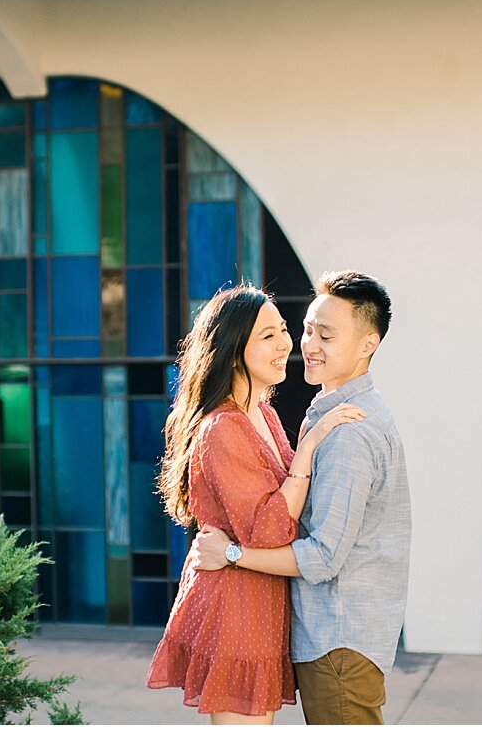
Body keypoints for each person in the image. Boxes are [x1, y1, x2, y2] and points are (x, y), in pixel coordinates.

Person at [192, 271, 411, 725]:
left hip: (338, 640)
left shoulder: (348, 432)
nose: (307, 344)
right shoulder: (316, 415)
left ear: (368, 344)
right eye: (307, 328)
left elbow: (323, 556)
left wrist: (231, 553)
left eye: (325, 335)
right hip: (321, 636)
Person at [146, 284, 365, 724]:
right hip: (234, 609)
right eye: (268, 335)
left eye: (283, 329)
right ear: (231, 352)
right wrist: (308, 450)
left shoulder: (262, 413)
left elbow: (289, 510)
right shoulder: (222, 428)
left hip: (260, 600)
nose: (285, 343)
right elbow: (268, 529)